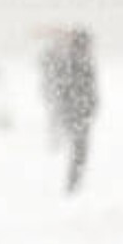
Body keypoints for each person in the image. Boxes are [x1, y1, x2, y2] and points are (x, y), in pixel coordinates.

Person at [38, 25, 97, 192]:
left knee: (79, 149)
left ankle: (74, 181)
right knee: (79, 149)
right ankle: (73, 182)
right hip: (78, 113)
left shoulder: (79, 60)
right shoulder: (77, 62)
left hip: (79, 112)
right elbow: (70, 88)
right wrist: (79, 108)